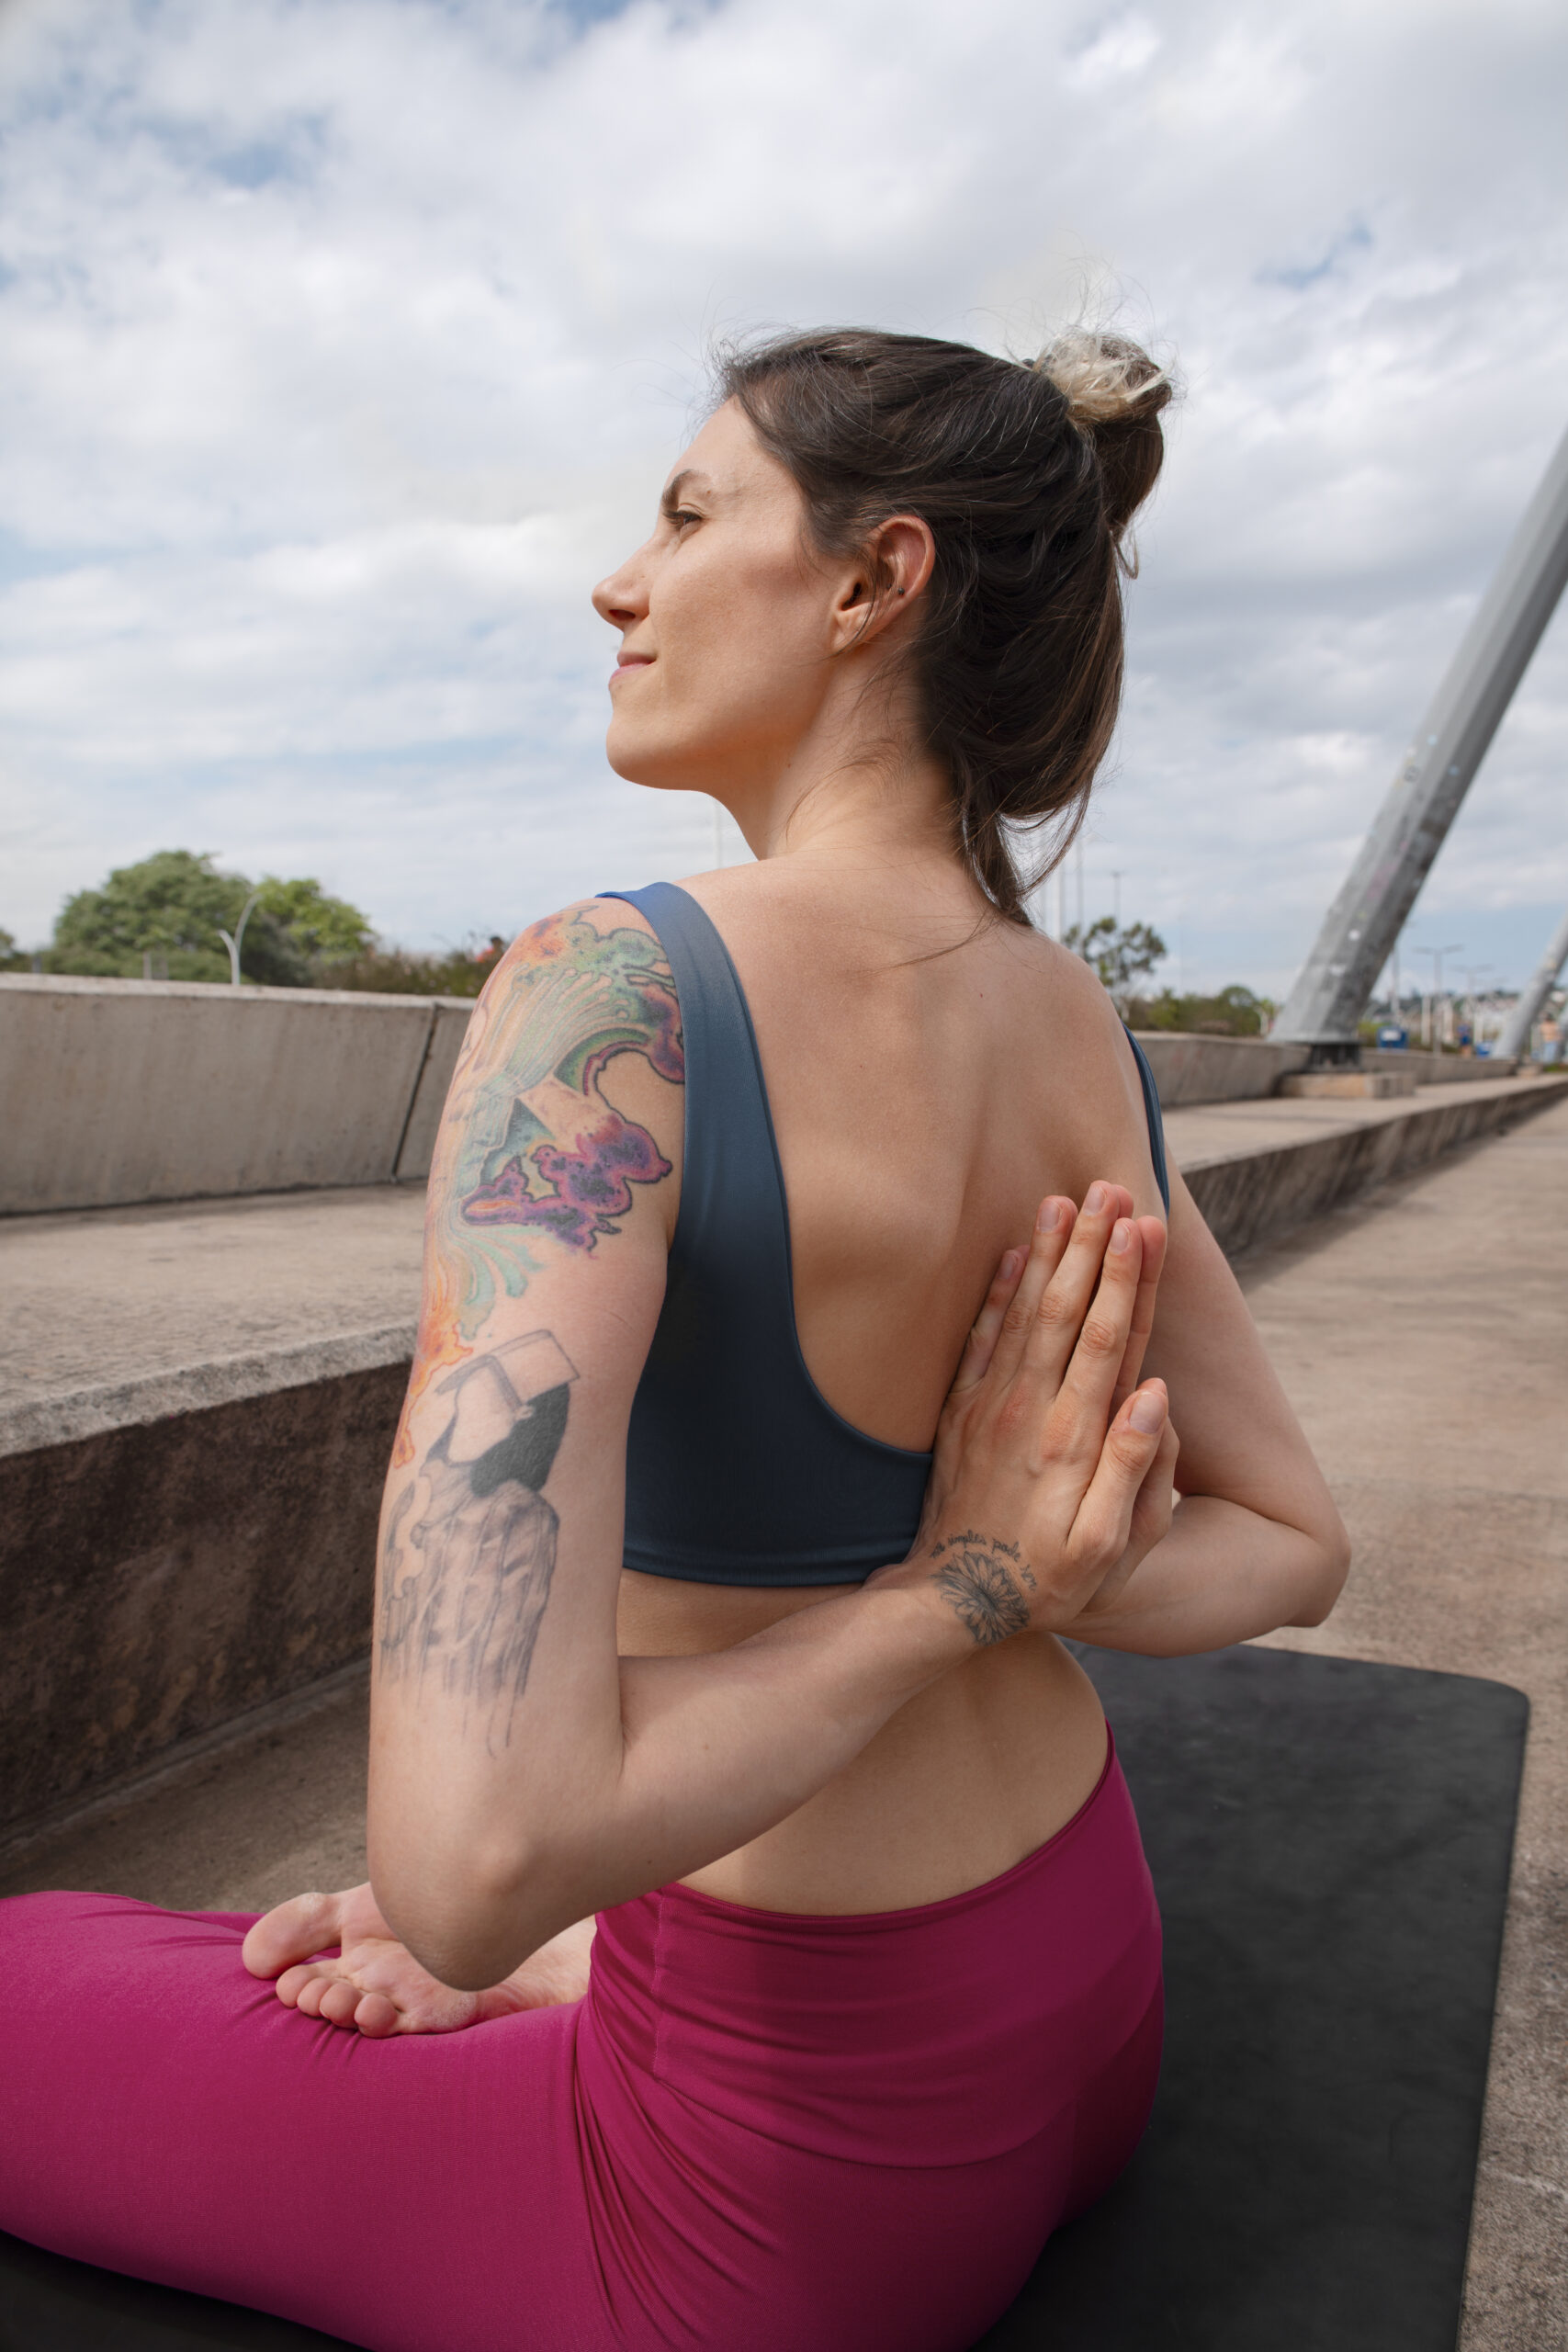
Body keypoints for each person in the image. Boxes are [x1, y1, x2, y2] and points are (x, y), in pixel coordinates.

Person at [0, 328, 1348, 2352]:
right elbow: (1292, 1537)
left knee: (35, 1959)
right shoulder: (1070, 1015)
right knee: (313, 1955)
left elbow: (471, 1869)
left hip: (777, 2194)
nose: (617, 583)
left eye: (687, 515)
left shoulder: (608, 995)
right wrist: (1031, 1578)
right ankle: (603, 1979)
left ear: (873, 579)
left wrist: (964, 1585)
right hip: (1074, 1993)